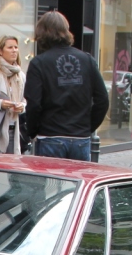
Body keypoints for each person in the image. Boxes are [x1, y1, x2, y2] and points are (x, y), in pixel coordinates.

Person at [23, 11, 109, 161]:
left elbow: (34, 104)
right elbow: (102, 100)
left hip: (50, 136)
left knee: (50, 183)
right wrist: (87, 127)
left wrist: (33, 131)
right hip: (80, 138)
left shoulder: (39, 64)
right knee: (79, 183)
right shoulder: (87, 60)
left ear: (41, 33)